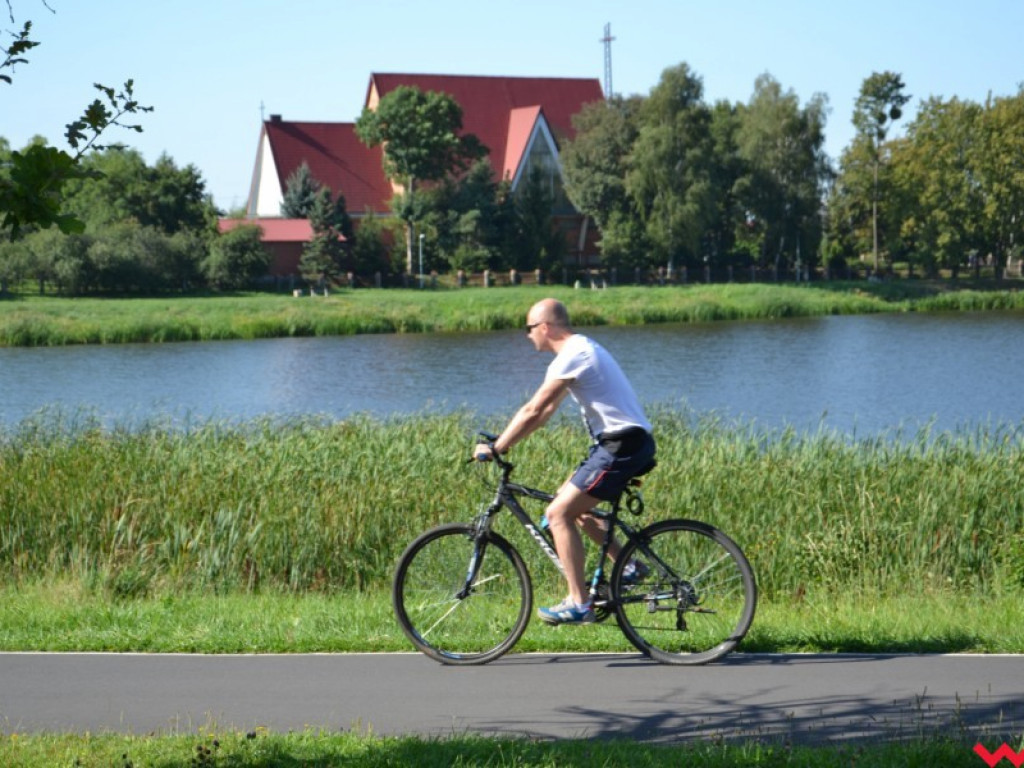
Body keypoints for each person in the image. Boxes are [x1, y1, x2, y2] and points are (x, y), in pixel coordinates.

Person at [475, 298, 656, 625]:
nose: (527, 336)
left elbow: (532, 409)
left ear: (545, 327)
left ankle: (579, 603)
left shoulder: (574, 354)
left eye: (529, 328)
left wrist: (498, 447)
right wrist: (506, 442)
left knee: (556, 513)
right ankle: (629, 565)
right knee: (571, 505)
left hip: (622, 444)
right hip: (620, 443)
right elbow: (543, 414)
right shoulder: (576, 353)